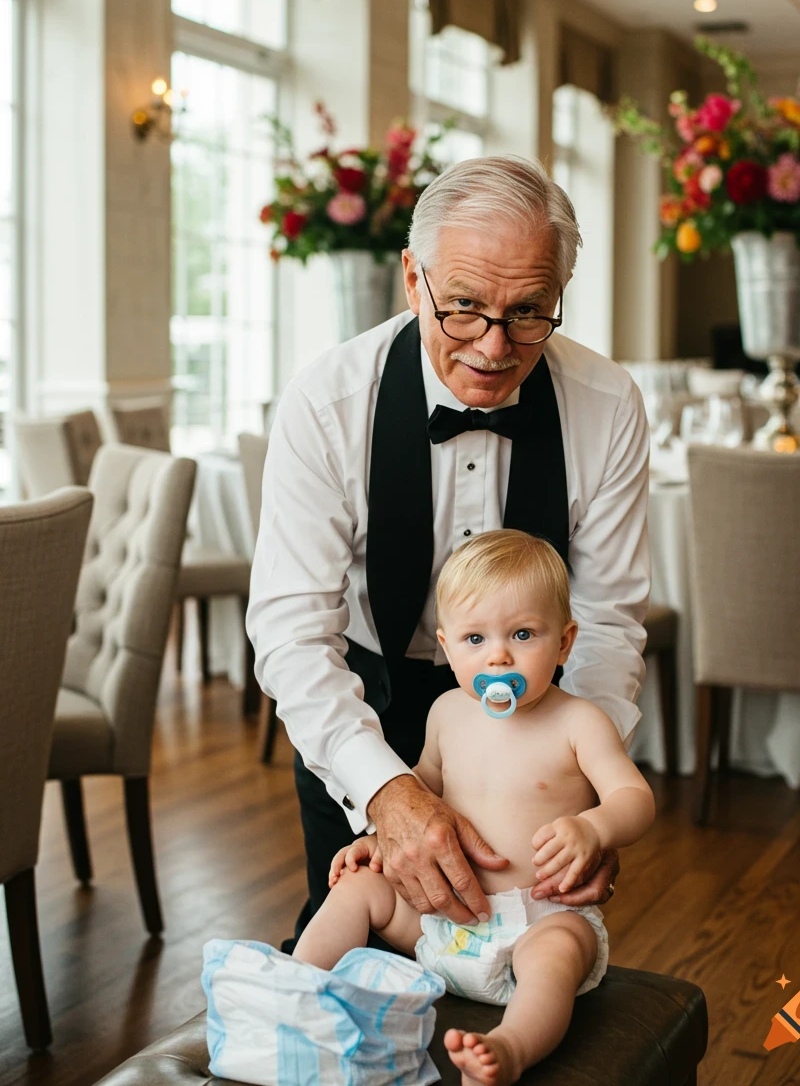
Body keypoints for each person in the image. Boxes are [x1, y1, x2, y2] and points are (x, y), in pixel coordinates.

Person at [247, 155, 651, 949]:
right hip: (366, 704)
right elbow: (294, 635)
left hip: (535, 718)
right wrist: (385, 793)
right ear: (412, 278)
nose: (495, 346)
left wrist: (588, 807)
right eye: (463, 307)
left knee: (518, 958)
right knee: (354, 947)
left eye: (529, 311)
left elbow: (606, 624)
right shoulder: (328, 403)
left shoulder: (607, 406)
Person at [292, 530, 656, 1086]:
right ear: (446, 644)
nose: (498, 655)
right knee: (357, 890)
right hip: (445, 925)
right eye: (474, 638)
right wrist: (374, 839)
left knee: (557, 960)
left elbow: (635, 798)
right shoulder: (446, 713)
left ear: (564, 643)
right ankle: (293, 991)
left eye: (523, 634)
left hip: (542, 919)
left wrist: (594, 827)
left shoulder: (579, 722)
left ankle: (508, 1049)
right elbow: (417, 792)